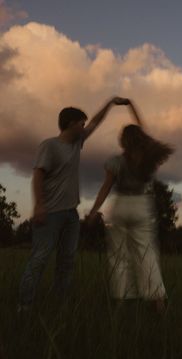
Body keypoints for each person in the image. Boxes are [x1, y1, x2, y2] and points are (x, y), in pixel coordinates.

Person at [18, 96, 129, 312]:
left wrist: (111, 102)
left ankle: (61, 304)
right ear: (70, 123)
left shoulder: (77, 143)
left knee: (67, 261)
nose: (84, 126)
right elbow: (38, 176)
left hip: (70, 215)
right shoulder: (49, 145)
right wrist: (39, 205)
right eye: (81, 123)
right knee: (40, 258)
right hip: (49, 214)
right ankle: (24, 305)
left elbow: (96, 122)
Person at [87, 101, 173, 312]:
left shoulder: (116, 161)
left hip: (120, 207)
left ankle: (121, 303)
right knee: (147, 254)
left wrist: (92, 212)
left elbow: (105, 188)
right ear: (141, 139)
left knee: (119, 256)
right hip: (142, 206)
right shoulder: (149, 158)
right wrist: (132, 106)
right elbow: (142, 126)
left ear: (123, 140)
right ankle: (158, 302)